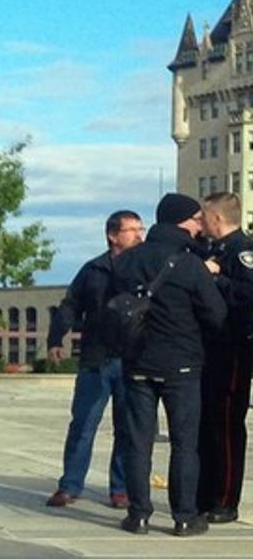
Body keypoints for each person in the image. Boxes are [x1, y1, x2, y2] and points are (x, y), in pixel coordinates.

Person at [113, 193, 226, 536]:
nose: (199, 225)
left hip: (137, 362)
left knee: (137, 442)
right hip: (182, 363)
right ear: (181, 221)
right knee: (184, 442)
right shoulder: (191, 263)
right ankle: (184, 517)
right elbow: (216, 313)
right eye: (194, 219)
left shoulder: (128, 261)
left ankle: (139, 515)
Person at [45, 210, 144, 509]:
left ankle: (121, 489)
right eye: (132, 230)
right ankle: (70, 486)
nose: (139, 235)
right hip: (96, 359)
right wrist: (55, 339)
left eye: (141, 229)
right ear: (113, 235)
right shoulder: (93, 270)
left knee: (128, 428)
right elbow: (69, 306)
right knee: (84, 424)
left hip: (132, 359)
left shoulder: (145, 269)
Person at [196, 192, 253, 523]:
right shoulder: (212, 249)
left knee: (227, 425)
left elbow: (247, 295)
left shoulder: (241, 251)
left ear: (217, 218)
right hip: (209, 347)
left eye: (204, 218)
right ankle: (205, 493)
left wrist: (216, 279)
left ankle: (226, 498)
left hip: (233, 347)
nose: (201, 224)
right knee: (207, 424)